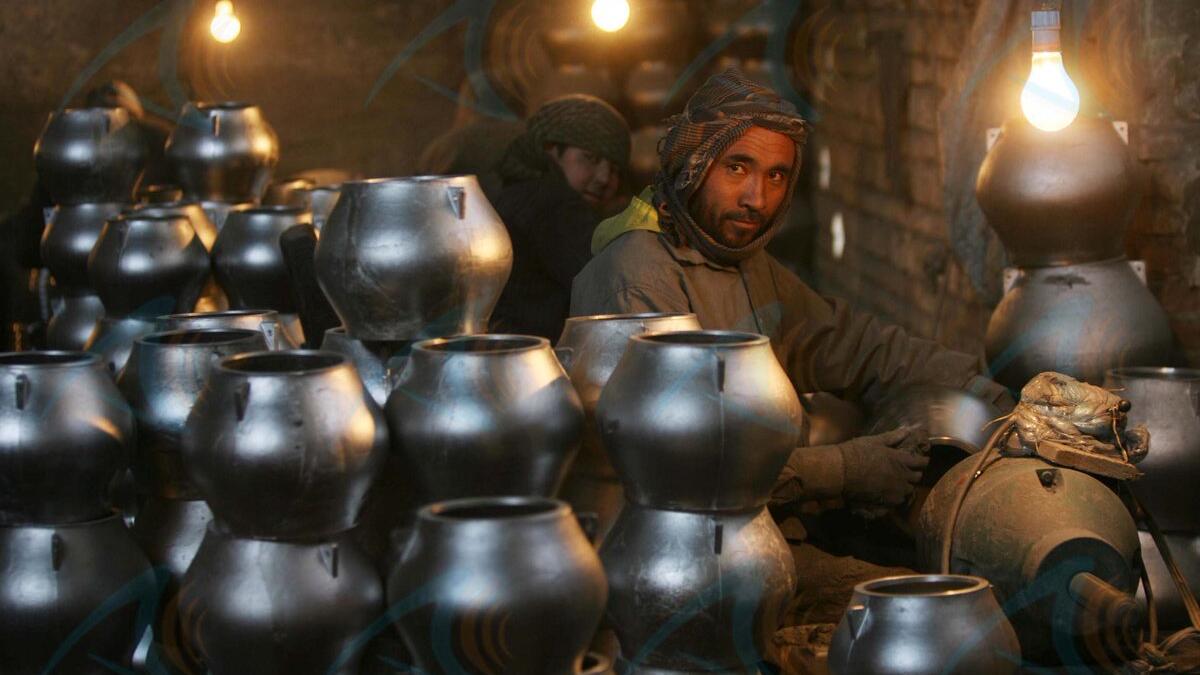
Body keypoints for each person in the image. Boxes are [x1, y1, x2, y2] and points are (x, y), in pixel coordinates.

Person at [569, 68, 1012, 625]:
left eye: (777, 176)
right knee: (950, 617)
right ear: (694, 164)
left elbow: (856, 344)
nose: (757, 197)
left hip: (764, 533)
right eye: (738, 168)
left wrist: (994, 394)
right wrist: (844, 470)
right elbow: (676, 477)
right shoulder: (639, 279)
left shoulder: (745, 263)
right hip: (688, 567)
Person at [489, 94, 630, 341]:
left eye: (614, 169)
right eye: (591, 159)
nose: (604, 178)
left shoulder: (514, 194)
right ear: (550, 149)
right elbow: (609, 290)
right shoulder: (555, 205)